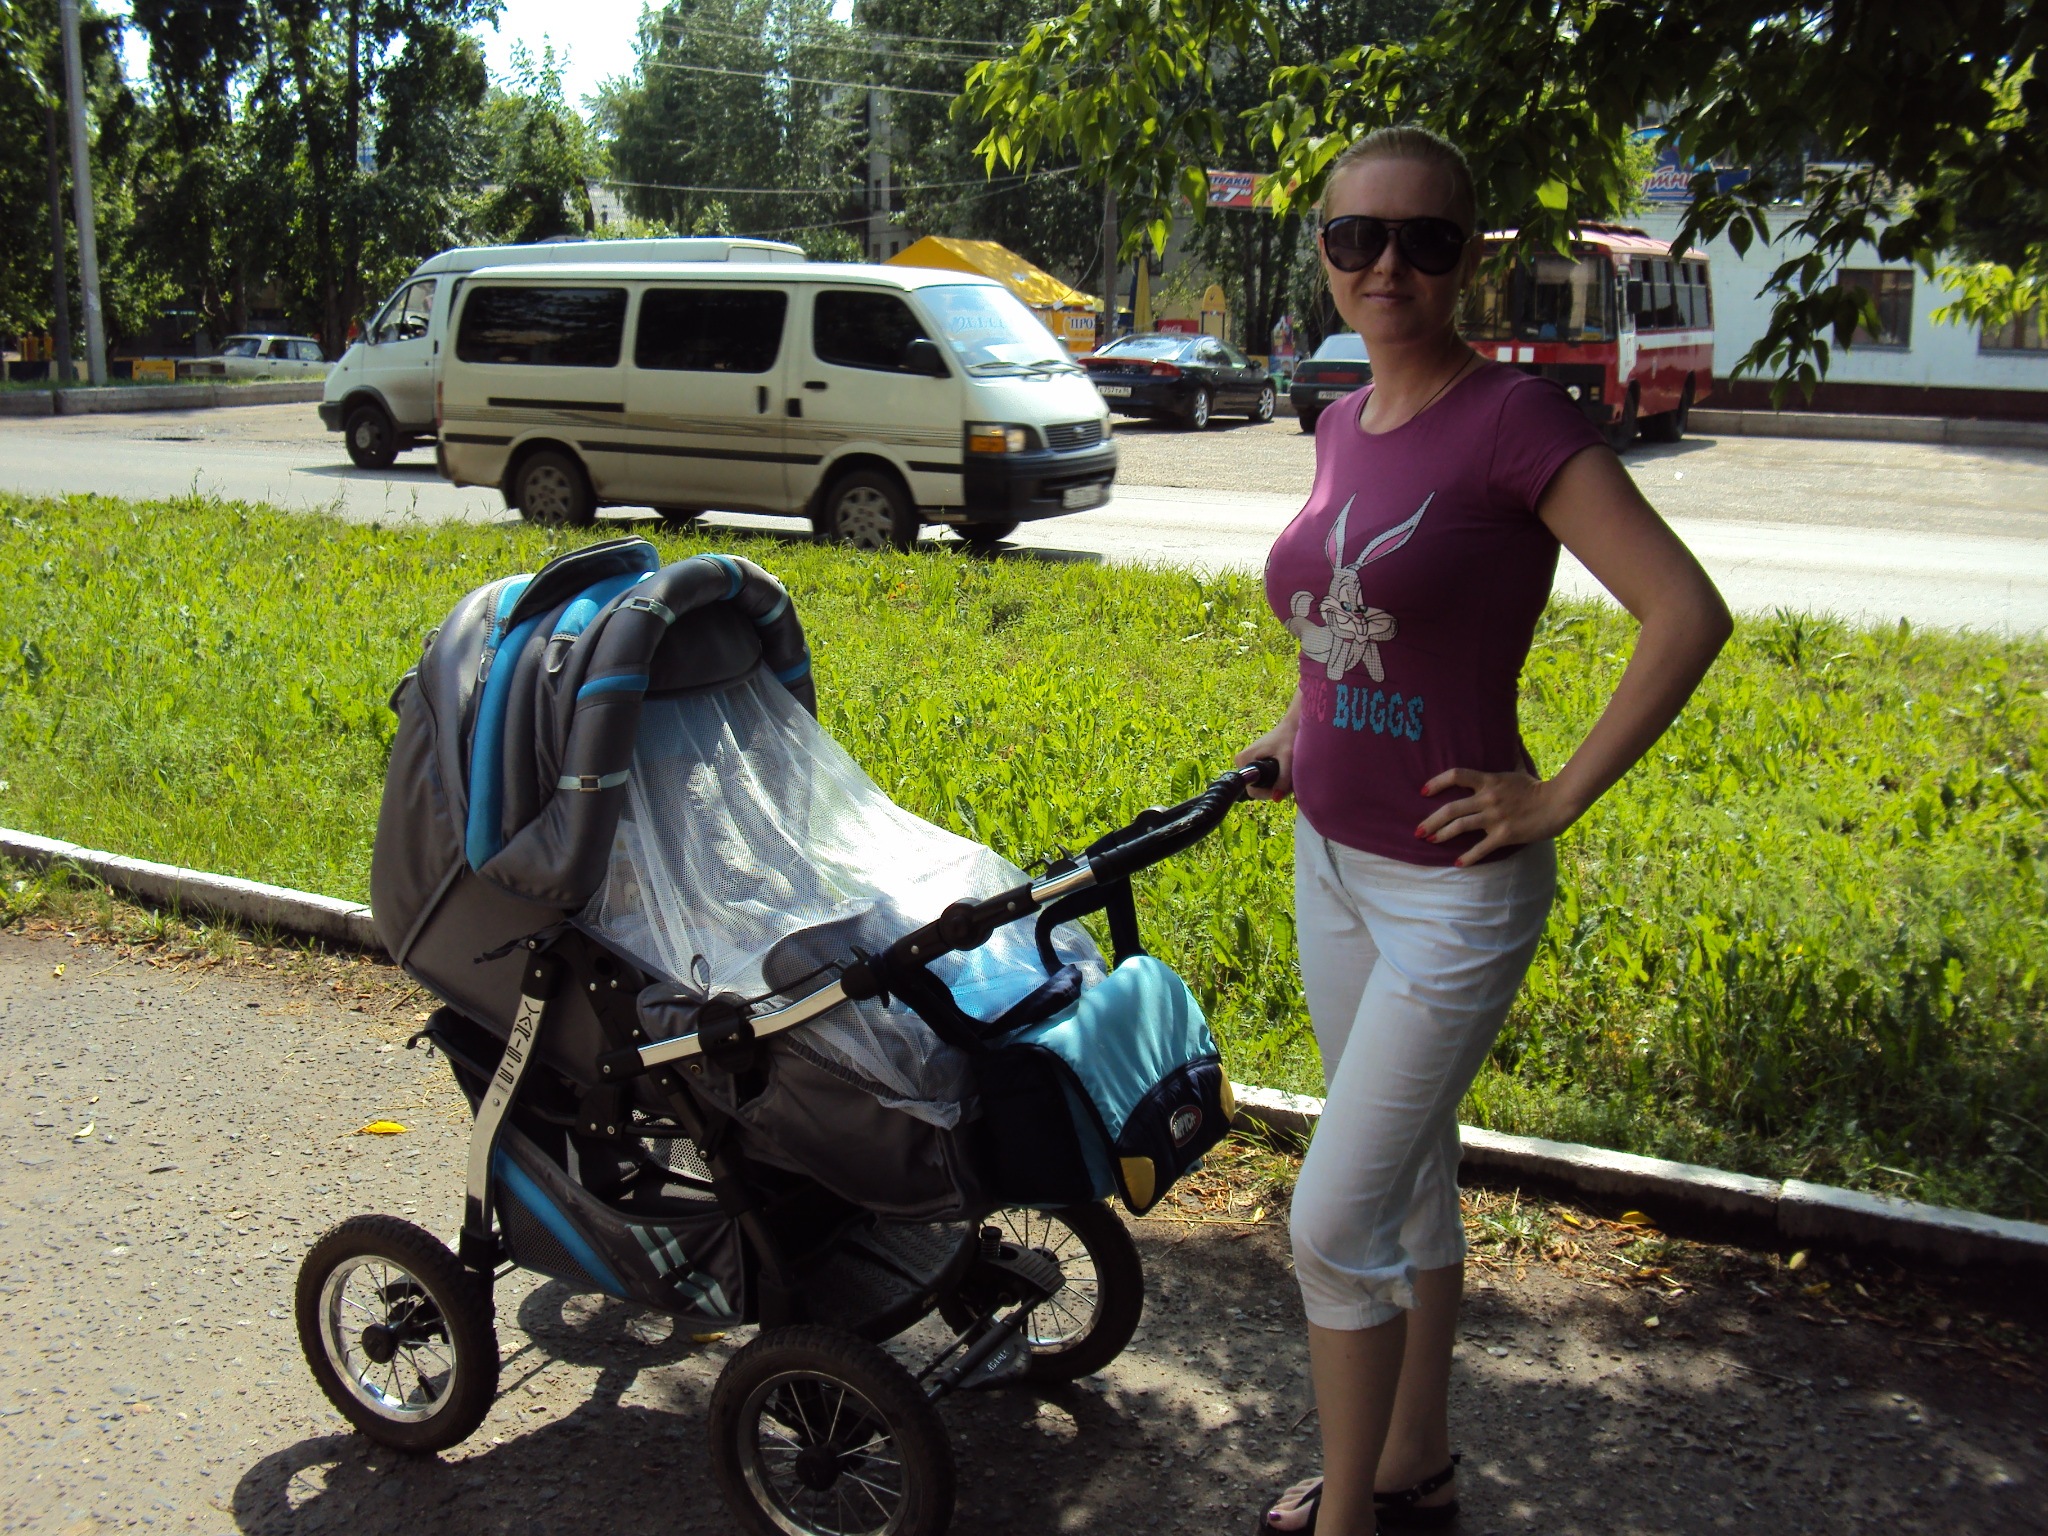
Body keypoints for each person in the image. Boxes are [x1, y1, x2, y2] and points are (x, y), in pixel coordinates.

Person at [1238, 126, 1731, 1536]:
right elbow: (1344, 623)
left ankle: (1349, 1517)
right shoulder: (1342, 419)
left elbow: (1685, 614)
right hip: (1331, 860)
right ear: (1324, 251)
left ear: (1470, 258)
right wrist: (1294, 727)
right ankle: (1415, 1463)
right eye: (1357, 237)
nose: (1387, 265)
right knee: (1405, 1184)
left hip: (1452, 890)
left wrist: (1558, 792)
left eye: (1426, 239)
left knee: (1333, 1222)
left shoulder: (1516, 420)